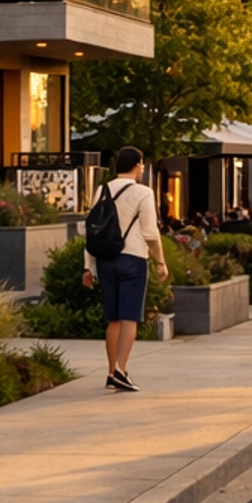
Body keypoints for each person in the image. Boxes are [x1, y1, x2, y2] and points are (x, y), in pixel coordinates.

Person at [83, 146, 166, 392]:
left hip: (105, 260)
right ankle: (121, 369)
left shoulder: (103, 189)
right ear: (138, 165)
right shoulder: (144, 192)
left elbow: (93, 230)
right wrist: (161, 261)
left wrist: (87, 266)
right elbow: (150, 232)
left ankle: (111, 372)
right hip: (133, 259)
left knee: (114, 319)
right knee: (130, 316)